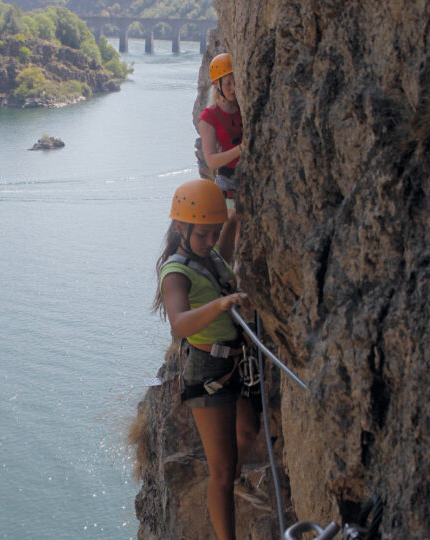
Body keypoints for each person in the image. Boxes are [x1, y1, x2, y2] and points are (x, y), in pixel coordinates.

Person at [152, 179, 260, 540]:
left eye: (214, 233)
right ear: (180, 227)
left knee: (247, 431)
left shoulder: (207, 254)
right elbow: (180, 324)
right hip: (208, 369)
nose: (211, 242)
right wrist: (219, 305)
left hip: (235, 362)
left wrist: (232, 223)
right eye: (203, 235)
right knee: (222, 469)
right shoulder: (175, 272)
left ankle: (234, 481)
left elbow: (221, 261)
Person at [199, 52, 243, 209]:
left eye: (235, 82)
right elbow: (211, 161)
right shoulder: (209, 117)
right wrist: (241, 149)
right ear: (216, 85)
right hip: (227, 182)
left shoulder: (243, 108)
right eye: (228, 83)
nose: (233, 88)